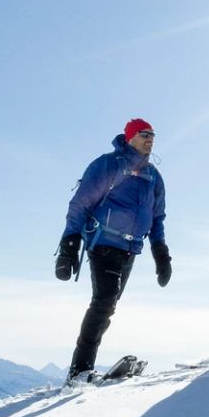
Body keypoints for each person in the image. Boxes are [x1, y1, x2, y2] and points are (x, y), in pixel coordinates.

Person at [56, 118, 170, 384]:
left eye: (153, 135)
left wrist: (161, 252)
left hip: (131, 248)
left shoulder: (153, 175)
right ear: (129, 136)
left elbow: (158, 217)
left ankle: (83, 368)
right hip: (104, 242)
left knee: (109, 305)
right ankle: (79, 370)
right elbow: (80, 203)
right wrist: (69, 245)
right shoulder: (108, 164)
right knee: (104, 301)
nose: (150, 139)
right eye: (144, 134)